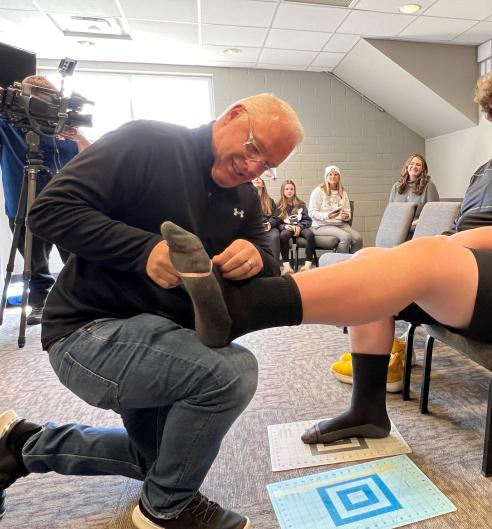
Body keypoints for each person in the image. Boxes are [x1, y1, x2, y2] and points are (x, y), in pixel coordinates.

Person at [142, 56, 492, 447]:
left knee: (426, 256)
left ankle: (241, 308)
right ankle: (368, 410)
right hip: (490, 287)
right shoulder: (487, 169)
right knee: (374, 261)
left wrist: (483, 239)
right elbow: (458, 240)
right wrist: (461, 243)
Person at [0, 93, 303, 529]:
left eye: (268, 163)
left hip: (168, 339)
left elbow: (267, 258)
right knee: (232, 372)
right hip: (88, 330)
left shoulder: (245, 196)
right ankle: (166, 509)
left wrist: (257, 256)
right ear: (233, 116)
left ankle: (21, 445)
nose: (254, 167)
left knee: (163, 459)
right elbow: (47, 212)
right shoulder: (147, 142)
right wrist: (142, 251)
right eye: (254, 148)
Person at [0, 75, 91, 324]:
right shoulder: (8, 126)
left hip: (65, 205)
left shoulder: (61, 127)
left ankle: (78, 300)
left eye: (49, 100)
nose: (45, 107)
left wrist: (78, 137)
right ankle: (39, 301)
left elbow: (93, 158)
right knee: (34, 261)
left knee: (77, 256)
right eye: (38, 100)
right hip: (22, 203)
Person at [308, 165, 362, 254]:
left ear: (339, 177)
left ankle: (352, 263)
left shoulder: (343, 192)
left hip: (340, 224)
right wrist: (327, 215)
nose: (333, 177)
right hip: (321, 225)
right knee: (346, 237)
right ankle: (340, 263)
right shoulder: (318, 191)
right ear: (326, 176)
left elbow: (348, 212)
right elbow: (311, 212)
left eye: (335, 174)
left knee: (357, 238)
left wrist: (346, 216)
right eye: (330, 174)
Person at [388, 153, 440, 236]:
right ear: (407, 166)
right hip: (397, 230)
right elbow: (390, 212)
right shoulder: (396, 186)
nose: (414, 167)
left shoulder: (429, 186)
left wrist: (409, 224)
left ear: (423, 169)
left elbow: (433, 213)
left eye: (418, 165)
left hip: (418, 231)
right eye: (411, 164)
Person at [276, 179, 315, 273]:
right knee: (283, 235)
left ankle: (307, 266)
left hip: (300, 227)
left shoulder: (301, 204)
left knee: (310, 234)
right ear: (283, 191)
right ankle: (286, 267)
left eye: (291, 189)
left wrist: (300, 226)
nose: (289, 191)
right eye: (287, 189)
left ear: (295, 190)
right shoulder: (278, 206)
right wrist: (284, 227)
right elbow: (277, 222)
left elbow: (308, 220)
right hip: (288, 228)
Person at [252, 174, 281, 266]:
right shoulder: (247, 200)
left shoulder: (270, 201)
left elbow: (276, 216)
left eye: (259, 178)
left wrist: (270, 224)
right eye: (254, 178)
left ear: (263, 184)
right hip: (254, 229)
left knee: (275, 236)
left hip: (269, 228)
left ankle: (275, 267)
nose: (257, 179)